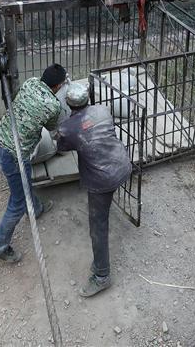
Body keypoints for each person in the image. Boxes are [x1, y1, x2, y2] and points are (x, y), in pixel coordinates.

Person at [57, 83, 132, 297]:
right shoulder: (102, 110)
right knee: (102, 215)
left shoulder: (67, 129)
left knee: (98, 226)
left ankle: (102, 276)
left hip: (102, 180)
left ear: (68, 103)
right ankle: (100, 271)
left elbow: (61, 147)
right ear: (88, 98)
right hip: (123, 165)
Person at [0, 63, 67, 263]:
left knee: (25, 184)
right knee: (17, 203)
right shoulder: (53, 105)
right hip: (13, 156)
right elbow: (52, 128)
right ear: (58, 86)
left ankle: (37, 209)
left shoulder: (31, 83)